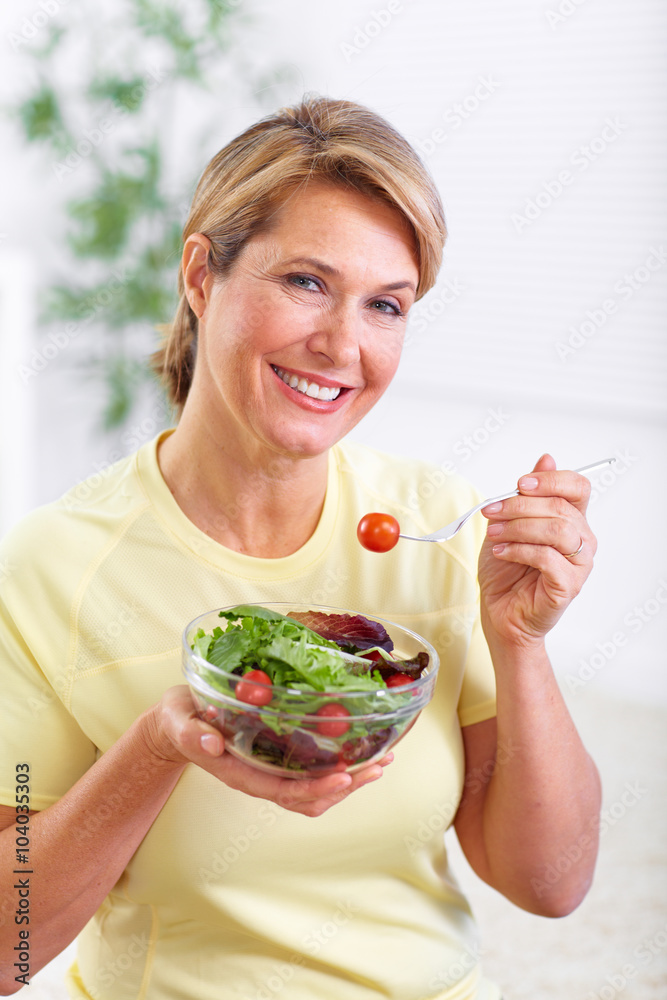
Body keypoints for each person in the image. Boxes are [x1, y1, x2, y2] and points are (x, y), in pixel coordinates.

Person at [0, 95, 601, 1000]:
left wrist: (518, 642)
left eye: (385, 305)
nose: (342, 346)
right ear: (201, 275)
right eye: (306, 283)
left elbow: (550, 884)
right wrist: (163, 745)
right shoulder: (50, 566)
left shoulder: (437, 527)